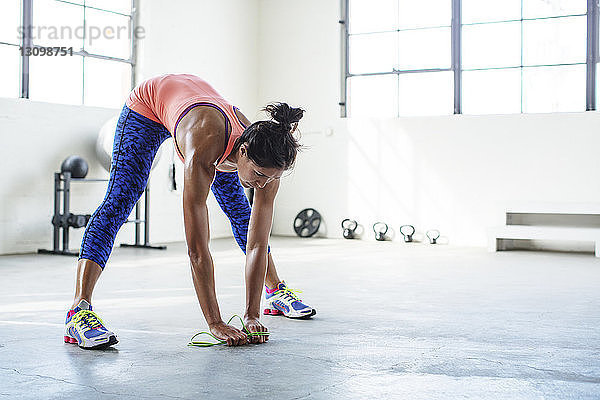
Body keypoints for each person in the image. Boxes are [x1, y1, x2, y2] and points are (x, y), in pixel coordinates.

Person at [64, 74, 316, 350]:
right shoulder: (204, 147)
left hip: (204, 115)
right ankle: (79, 310)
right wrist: (215, 321)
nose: (262, 184)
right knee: (121, 199)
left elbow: (257, 244)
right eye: (257, 175)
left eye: (270, 178)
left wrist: (251, 314)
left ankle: (274, 290)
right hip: (148, 107)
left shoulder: (268, 164)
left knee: (241, 213)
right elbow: (197, 249)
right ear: (242, 152)